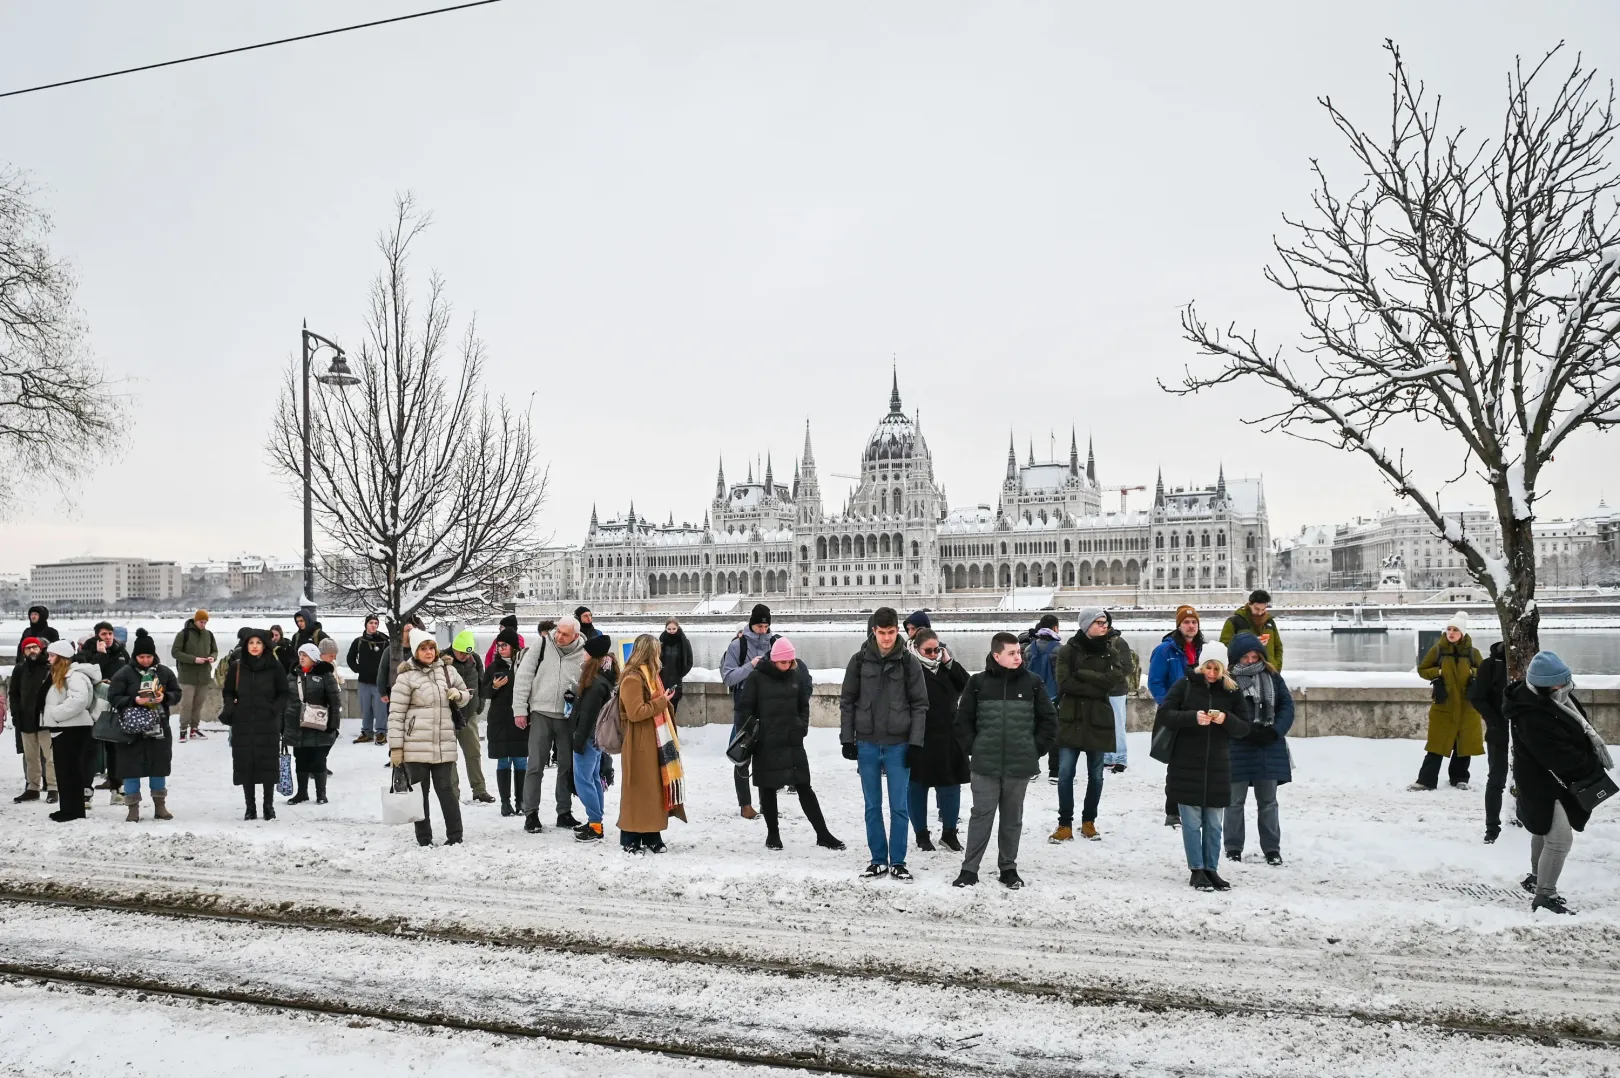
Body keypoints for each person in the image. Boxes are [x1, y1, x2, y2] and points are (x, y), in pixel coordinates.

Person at [1507, 651, 1613, 915]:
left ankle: (1536, 877)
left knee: (1543, 828)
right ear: (1544, 686)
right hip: (1544, 782)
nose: (1566, 687)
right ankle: (1545, 896)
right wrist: (1591, 764)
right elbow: (1558, 755)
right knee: (1559, 839)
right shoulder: (1532, 713)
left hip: (1551, 779)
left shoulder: (1552, 697)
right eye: (1560, 683)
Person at [951, 632, 1058, 889]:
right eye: (1011, 653)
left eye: (1018, 653)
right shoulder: (977, 683)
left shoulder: (1033, 683)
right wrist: (974, 747)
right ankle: (969, 869)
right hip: (985, 764)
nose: (1017, 657)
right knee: (981, 816)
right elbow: (962, 721)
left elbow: (1049, 720)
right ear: (996, 655)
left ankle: (1008, 868)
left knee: (1012, 818)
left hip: (1019, 764)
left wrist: (1035, 749)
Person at [839, 606, 928, 881]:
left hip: (898, 744)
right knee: (872, 805)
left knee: (899, 806)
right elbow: (847, 702)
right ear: (873, 632)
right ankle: (878, 859)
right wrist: (847, 739)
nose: (887, 638)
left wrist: (916, 744)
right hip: (866, 743)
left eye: (891, 632)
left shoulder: (909, 662)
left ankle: (898, 861)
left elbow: (920, 705)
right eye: (881, 633)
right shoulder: (858, 661)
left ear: (897, 630)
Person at [1156, 645, 1252, 891]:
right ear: (1201, 666)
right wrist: (1192, 717)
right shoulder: (1185, 685)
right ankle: (1196, 869)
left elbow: (1245, 728)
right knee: (1191, 821)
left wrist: (1225, 719)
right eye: (1208, 667)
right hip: (1186, 763)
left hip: (1218, 764)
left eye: (1216, 668)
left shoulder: (1232, 691)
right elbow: (1165, 714)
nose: (1211, 673)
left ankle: (1211, 868)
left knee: (1213, 823)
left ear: (1224, 669)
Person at [739, 637, 845, 852]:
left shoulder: (795, 676)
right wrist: (752, 737)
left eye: (790, 662)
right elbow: (744, 710)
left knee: (804, 787)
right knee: (767, 788)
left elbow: (803, 705)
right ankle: (773, 835)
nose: (787, 666)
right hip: (765, 742)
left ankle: (823, 834)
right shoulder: (756, 678)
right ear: (774, 660)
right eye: (783, 662)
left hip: (792, 741)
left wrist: (801, 727)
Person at [1051, 608, 1127, 842]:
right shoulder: (1067, 651)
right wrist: (1097, 683)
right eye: (1099, 622)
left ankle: (1088, 821)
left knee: (1096, 775)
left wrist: (1083, 674)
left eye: (1105, 622)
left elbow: (1115, 682)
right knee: (1065, 774)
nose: (1105, 626)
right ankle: (1064, 823)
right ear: (1086, 625)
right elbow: (1065, 684)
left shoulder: (1110, 652)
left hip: (1098, 718)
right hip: (1072, 718)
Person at [388, 634, 471, 846]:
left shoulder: (448, 670)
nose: (429, 652)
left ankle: (455, 836)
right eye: (423, 648)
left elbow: (466, 694)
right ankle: (423, 838)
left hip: (443, 743)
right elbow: (396, 714)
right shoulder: (406, 677)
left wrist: (458, 695)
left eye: (431, 648)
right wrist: (396, 747)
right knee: (419, 794)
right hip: (415, 745)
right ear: (415, 651)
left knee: (448, 792)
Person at [1223, 632, 1294, 866]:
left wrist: (1275, 731)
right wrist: (1244, 730)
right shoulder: (1227, 680)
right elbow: (1225, 713)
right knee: (1234, 801)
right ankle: (1232, 847)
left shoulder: (1272, 677)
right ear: (1236, 659)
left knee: (1268, 802)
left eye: (1255, 656)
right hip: (1237, 746)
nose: (1252, 661)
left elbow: (1286, 707)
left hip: (1268, 745)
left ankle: (1272, 848)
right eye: (1246, 657)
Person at [512, 616, 588, 833]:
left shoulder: (584, 651)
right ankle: (531, 813)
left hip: (567, 717)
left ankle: (564, 812)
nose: (559, 637)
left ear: (575, 635)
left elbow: (588, 681)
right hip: (541, 713)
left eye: (565, 634)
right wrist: (520, 710)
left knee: (566, 766)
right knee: (535, 765)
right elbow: (524, 676)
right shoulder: (543, 644)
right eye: (558, 632)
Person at [617, 633, 684, 853]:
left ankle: (651, 834)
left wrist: (664, 700)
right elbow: (636, 713)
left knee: (653, 791)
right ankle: (630, 838)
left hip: (653, 741)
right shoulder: (633, 678)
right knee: (637, 791)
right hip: (639, 742)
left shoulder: (651, 677)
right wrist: (662, 701)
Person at [108, 630, 182, 822]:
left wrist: (165, 697)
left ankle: (160, 806)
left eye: (149, 656)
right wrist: (134, 700)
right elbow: (113, 697)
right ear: (135, 656)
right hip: (131, 731)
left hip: (159, 728)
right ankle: (133, 808)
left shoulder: (164, 672)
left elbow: (177, 693)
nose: (146, 660)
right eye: (142, 656)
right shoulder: (123, 673)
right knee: (131, 769)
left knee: (159, 767)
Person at [907, 627, 970, 853]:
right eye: (928, 650)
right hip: (919, 737)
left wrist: (949, 661)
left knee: (951, 787)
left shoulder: (946, 668)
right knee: (917, 788)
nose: (933, 654)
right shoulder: (909, 668)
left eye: (937, 650)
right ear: (917, 648)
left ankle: (949, 833)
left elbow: (967, 685)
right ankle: (921, 835)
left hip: (949, 737)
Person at [1410, 613, 1484, 791]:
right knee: (1436, 744)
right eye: (1449, 629)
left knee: (1464, 744)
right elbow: (1422, 669)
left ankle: (1459, 778)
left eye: (1455, 630)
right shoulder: (1438, 650)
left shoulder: (1473, 653)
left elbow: (1483, 671)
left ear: (1462, 633)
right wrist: (1438, 672)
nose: (1451, 633)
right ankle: (1426, 780)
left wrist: (1473, 673)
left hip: (1466, 705)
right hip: (1444, 704)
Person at [221, 629, 290, 821]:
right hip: (243, 722)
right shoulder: (237, 666)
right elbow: (228, 691)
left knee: (267, 765)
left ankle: (268, 806)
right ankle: (249, 807)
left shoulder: (274, 666)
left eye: (258, 643)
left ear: (264, 646)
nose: (254, 646)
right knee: (246, 765)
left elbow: (284, 692)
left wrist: (273, 709)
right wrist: (231, 705)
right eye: (251, 643)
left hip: (266, 722)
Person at [720, 604, 778, 820]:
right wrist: (751, 666)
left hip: (769, 707)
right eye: (759, 626)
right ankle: (745, 804)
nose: (763, 630)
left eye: (765, 626)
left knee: (767, 758)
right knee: (742, 755)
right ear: (751, 624)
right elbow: (728, 677)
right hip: (745, 708)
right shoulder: (738, 646)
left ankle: (766, 803)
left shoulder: (775, 643)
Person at [1148, 605, 1204, 827]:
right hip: (1176, 714)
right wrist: (1168, 706)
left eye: (1194, 622)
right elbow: (1155, 682)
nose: (1191, 626)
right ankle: (1172, 810)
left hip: (1200, 714)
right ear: (1179, 625)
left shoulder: (1205, 650)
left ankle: (1196, 804)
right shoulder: (1165, 650)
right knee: (1176, 764)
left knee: (1200, 761)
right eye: (1186, 622)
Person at [41, 641, 100, 822]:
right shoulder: (62, 675)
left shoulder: (74, 676)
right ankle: (67, 809)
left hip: (73, 728)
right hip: (64, 727)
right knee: (64, 771)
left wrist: (55, 714)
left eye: (52, 655)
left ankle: (73, 811)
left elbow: (79, 700)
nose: (48, 658)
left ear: (62, 657)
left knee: (70, 771)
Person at [281, 642, 342, 804]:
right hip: (297, 724)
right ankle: (302, 793)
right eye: (300, 655)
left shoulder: (325, 676)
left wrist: (333, 725)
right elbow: (285, 700)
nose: (301, 658)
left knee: (318, 760)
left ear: (314, 658)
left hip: (319, 725)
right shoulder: (293, 675)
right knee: (300, 759)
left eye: (305, 655)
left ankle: (321, 794)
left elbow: (335, 702)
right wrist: (283, 725)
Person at [569, 633, 617, 842]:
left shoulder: (594, 683)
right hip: (596, 738)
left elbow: (587, 716)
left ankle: (595, 825)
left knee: (583, 781)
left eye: (586, 651)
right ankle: (595, 820)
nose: (583, 654)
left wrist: (578, 741)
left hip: (588, 737)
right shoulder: (605, 677)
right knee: (594, 778)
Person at [1468, 639, 1514, 843]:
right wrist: (1495, 722)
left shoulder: (1528, 662)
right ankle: (1492, 829)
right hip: (1499, 734)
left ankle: (1522, 821)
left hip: (1524, 734)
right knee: (1496, 780)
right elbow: (1477, 697)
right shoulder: (1490, 665)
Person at [481, 628, 528, 816]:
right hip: (499, 719)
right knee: (503, 762)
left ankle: (521, 801)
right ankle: (505, 802)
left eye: (504, 645)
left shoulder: (524, 665)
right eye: (498, 645)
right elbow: (483, 693)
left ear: (513, 647)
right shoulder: (493, 667)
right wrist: (494, 686)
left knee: (521, 761)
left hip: (519, 718)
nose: (500, 649)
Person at [447, 630, 494, 804]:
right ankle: (453, 792)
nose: (465, 656)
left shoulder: (475, 659)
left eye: (467, 653)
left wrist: (480, 704)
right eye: (461, 653)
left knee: (473, 753)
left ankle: (479, 789)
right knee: (450, 756)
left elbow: (482, 681)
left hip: (470, 714)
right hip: (449, 716)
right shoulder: (443, 660)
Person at [9, 637, 53, 803]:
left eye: (34, 647)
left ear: (40, 648)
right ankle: (33, 787)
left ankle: (53, 787)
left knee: (50, 757)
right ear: (23, 651)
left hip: (45, 719)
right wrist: (16, 713)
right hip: (25, 719)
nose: (32, 651)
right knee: (30, 756)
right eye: (28, 648)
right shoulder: (19, 669)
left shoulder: (49, 668)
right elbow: (13, 693)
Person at [1023, 614, 1063, 783]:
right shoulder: (1060, 649)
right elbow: (1061, 677)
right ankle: (1055, 772)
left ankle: (1032, 768)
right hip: (1053, 697)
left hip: (1032, 696)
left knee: (1032, 731)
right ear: (1055, 628)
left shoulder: (1028, 649)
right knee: (1054, 733)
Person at [170, 609, 218, 742]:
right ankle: (183, 730)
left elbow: (214, 650)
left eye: (205, 622)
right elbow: (175, 652)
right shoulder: (183, 634)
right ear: (196, 620)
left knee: (198, 704)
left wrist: (212, 658)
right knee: (187, 705)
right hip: (187, 677)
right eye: (201, 622)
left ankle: (194, 729)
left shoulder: (209, 635)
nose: (203, 624)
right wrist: (193, 659)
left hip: (204, 676)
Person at [347, 614, 391, 744]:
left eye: (376, 623)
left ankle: (381, 732)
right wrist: (358, 669)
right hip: (364, 681)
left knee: (381, 709)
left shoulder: (384, 641)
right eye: (371, 623)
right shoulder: (359, 641)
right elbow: (350, 658)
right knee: (365, 709)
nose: (373, 625)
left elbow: (390, 658)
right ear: (366, 624)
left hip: (379, 682)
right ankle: (366, 732)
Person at [1220, 590, 1283, 671]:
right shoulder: (1234, 622)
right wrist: (1252, 643)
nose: (1260, 613)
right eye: (1257, 609)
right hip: (1242, 672)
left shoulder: (1269, 622)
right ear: (1249, 604)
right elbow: (1224, 647)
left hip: (1269, 671)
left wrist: (1277, 666)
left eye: (1263, 609)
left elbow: (1278, 647)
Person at [658, 619, 695, 714]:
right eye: (669, 629)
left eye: (674, 628)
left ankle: (672, 727)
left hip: (676, 678)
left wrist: (681, 673)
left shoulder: (684, 641)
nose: (671, 631)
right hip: (663, 678)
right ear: (665, 629)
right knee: (662, 710)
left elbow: (690, 661)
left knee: (673, 708)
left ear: (678, 628)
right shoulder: (661, 640)